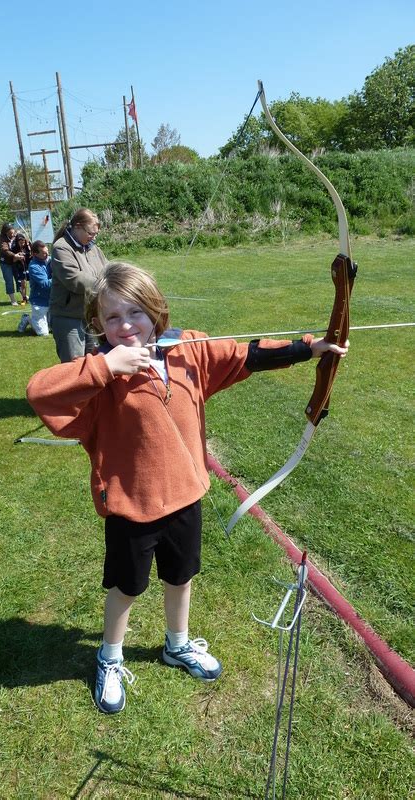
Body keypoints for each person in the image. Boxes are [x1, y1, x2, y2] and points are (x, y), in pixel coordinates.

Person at [27, 261, 349, 715]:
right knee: (127, 587)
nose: (125, 325)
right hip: (130, 506)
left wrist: (311, 348)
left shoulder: (187, 351)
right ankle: (110, 657)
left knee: (181, 577)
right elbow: (41, 393)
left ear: (156, 311)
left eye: (135, 313)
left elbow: (243, 355)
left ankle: (177, 645)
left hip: (184, 496)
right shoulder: (97, 374)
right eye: (112, 318)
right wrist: (104, 367)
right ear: (97, 323)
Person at [49, 207, 108, 362]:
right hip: (68, 318)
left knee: (95, 362)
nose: (93, 237)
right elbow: (73, 279)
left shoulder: (93, 248)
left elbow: (108, 269)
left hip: (90, 316)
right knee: (74, 366)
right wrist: (104, 286)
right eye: (90, 233)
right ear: (77, 227)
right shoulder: (61, 247)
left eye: (95, 234)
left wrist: (119, 279)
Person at [17, 240, 52, 335]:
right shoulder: (34, 266)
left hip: (52, 301)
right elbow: (45, 284)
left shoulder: (50, 260)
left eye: (47, 251)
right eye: (44, 253)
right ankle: (27, 318)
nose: (47, 254)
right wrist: (61, 278)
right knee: (43, 333)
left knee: (54, 328)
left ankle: (44, 322)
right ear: (35, 254)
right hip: (39, 302)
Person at [0, 223, 25, 306]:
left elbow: (23, 243)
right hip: (5, 262)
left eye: (13, 233)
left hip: (15, 261)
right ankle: (13, 300)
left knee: (19, 279)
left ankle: (23, 296)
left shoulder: (17, 235)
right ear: (6, 232)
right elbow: (5, 250)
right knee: (9, 280)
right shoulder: (2, 238)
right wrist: (14, 255)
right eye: (10, 233)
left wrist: (21, 252)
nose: (12, 235)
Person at [11, 232, 32, 305]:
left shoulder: (28, 245)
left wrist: (29, 251)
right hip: (20, 267)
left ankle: (33, 297)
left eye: (23, 242)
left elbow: (32, 254)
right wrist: (18, 257)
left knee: (33, 282)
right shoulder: (14, 248)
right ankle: (24, 298)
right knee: (23, 283)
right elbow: (12, 260)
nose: (22, 244)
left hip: (29, 266)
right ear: (17, 242)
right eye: (20, 243)